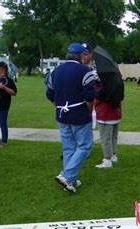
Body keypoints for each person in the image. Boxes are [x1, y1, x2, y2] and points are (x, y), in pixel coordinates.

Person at [46, 43, 98, 193]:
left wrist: (58, 105)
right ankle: (67, 175)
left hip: (62, 114)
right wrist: (88, 111)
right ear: (81, 55)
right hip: (79, 114)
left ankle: (71, 182)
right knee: (84, 146)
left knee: (68, 148)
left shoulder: (56, 71)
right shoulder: (85, 70)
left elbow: (49, 94)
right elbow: (89, 96)